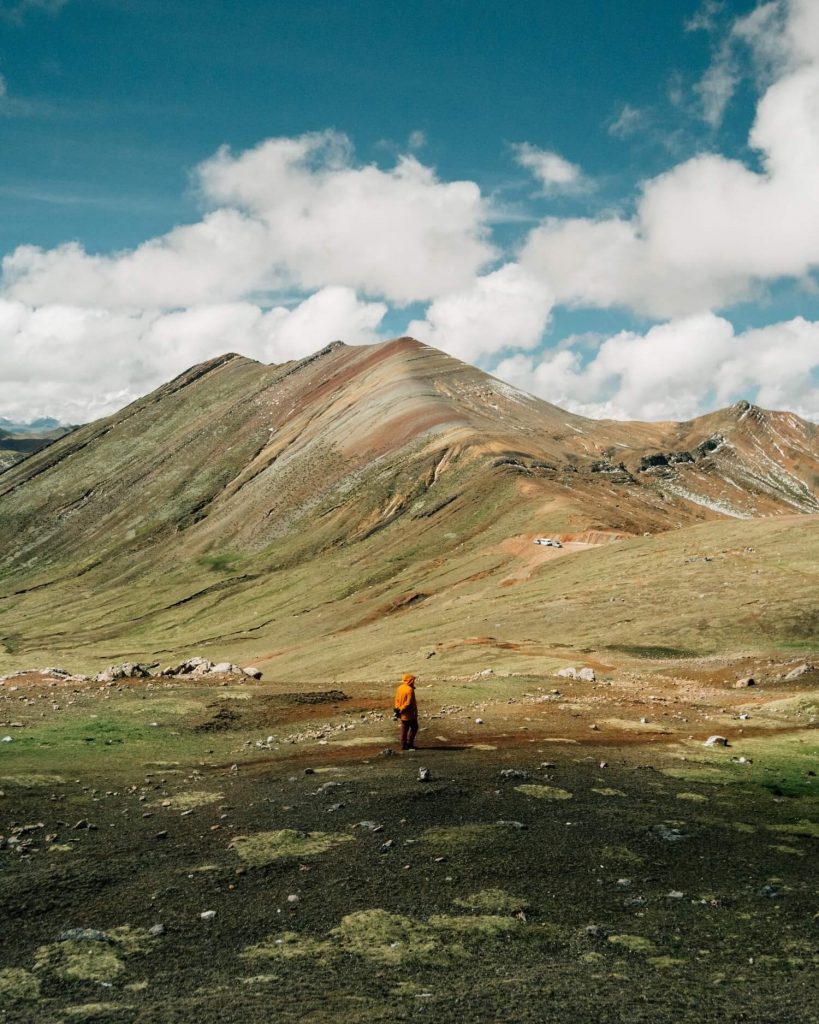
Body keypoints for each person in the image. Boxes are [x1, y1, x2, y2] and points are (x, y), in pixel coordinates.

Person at [393, 673, 419, 750]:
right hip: (409, 713)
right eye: (413, 681)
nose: (414, 682)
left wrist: (398, 709)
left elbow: (396, 699)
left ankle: (403, 745)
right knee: (414, 727)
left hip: (401, 713)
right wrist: (402, 709)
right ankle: (409, 744)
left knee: (404, 729)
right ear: (410, 681)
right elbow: (408, 703)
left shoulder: (400, 688)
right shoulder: (409, 690)